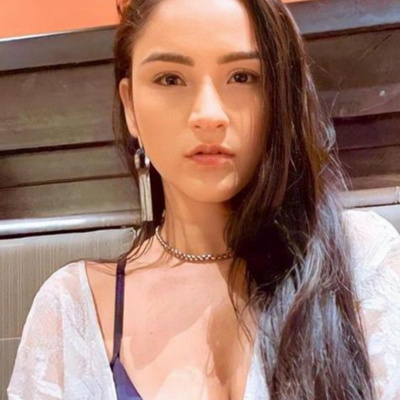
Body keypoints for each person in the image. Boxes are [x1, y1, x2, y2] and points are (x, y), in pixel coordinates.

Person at [7, 0, 400, 399]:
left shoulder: (359, 259)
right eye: (170, 79)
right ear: (130, 106)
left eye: (242, 76)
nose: (208, 114)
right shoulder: (74, 308)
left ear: (280, 94)